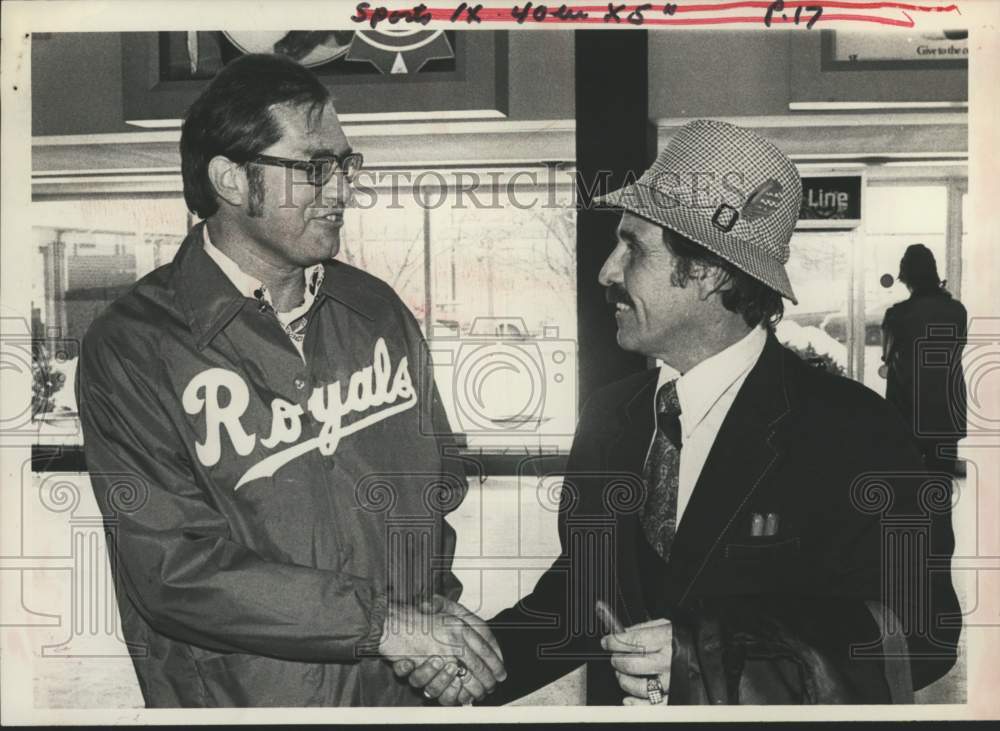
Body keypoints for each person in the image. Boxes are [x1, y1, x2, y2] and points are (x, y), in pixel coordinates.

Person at [399, 119, 961, 705]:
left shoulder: (855, 432)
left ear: (710, 270)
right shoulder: (611, 417)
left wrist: (706, 659)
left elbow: (923, 634)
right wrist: (474, 665)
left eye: (634, 247)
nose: (606, 271)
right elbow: (585, 595)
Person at [76, 53, 504, 708]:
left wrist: (431, 632)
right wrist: (386, 625)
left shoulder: (377, 311)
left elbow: (433, 490)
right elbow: (175, 570)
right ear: (231, 180)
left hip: (395, 698)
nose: (341, 191)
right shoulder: (134, 346)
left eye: (344, 165)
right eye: (313, 168)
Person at [881, 244, 967, 474]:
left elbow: (887, 358)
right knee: (942, 484)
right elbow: (958, 348)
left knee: (908, 483)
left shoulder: (897, 314)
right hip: (947, 412)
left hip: (908, 412)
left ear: (906, 277)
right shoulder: (958, 311)